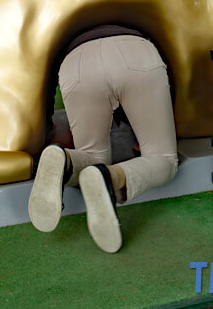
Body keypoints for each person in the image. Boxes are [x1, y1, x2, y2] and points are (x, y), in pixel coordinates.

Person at [27, 25, 178, 253]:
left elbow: (44, 76)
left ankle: (65, 159)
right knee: (163, 158)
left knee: (93, 155)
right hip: (136, 49)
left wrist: (45, 127)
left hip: (76, 60)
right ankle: (110, 176)